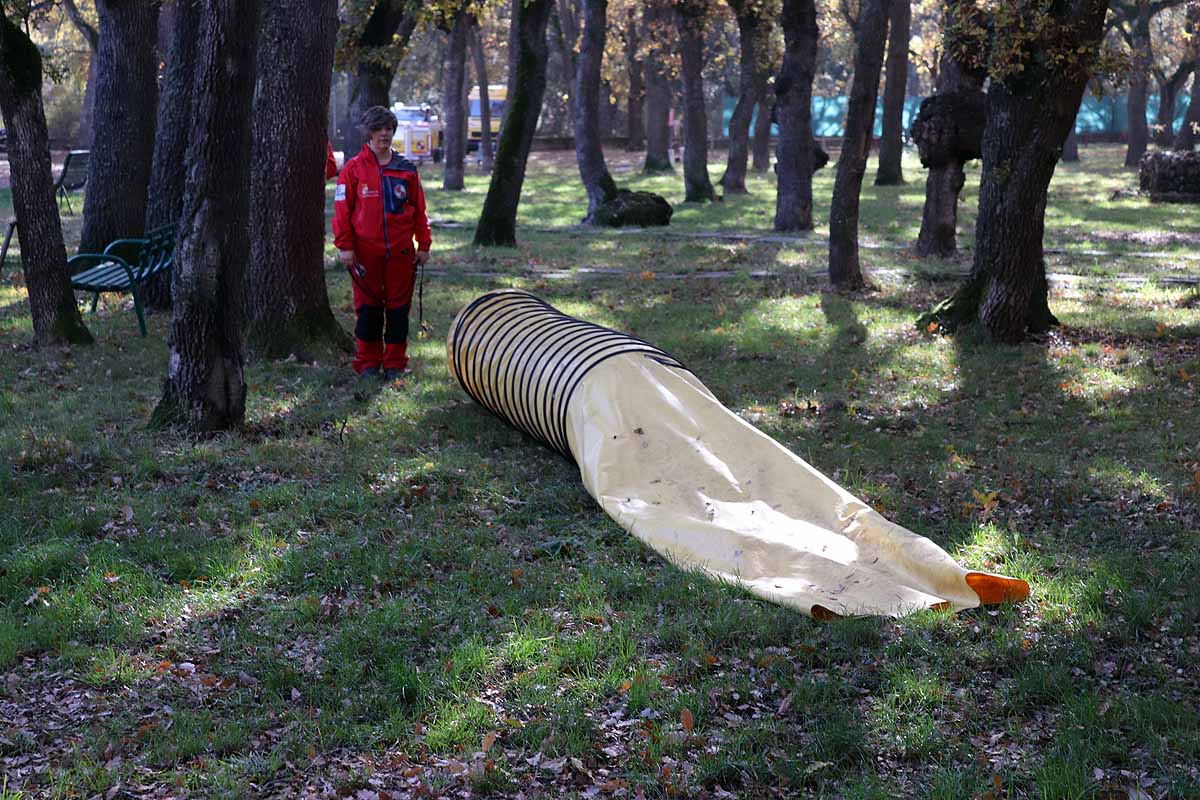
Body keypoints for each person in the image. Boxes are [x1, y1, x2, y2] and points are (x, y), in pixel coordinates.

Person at [333, 106, 432, 381]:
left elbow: (419, 210)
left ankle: (395, 364)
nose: (384, 134)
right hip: (365, 254)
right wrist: (345, 246)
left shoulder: (407, 170)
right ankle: (367, 364)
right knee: (368, 310)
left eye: (388, 128)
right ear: (369, 133)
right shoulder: (353, 170)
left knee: (399, 310)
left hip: (401, 253)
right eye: (379, 129)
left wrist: (424, 244)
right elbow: (342, 210)